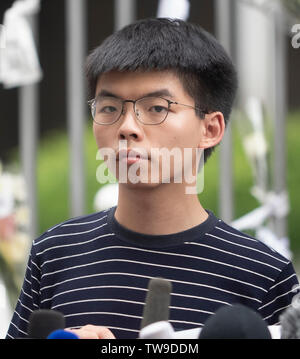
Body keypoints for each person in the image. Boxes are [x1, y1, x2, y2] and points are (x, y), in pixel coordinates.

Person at [6, 18, 299, 340]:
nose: (127, 126)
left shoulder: (262, 273)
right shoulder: (55, 253)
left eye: (156, 108)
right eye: (108, 107)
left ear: (210, 129)